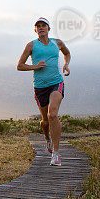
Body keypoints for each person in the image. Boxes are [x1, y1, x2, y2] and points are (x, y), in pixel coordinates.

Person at [16, 17, 71, 166]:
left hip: (56, 83)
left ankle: (56, 153)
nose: (41, 28)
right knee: (45, 122)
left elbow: (67, 53)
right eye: (38, 26)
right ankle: (47, 138)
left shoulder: (57, 43)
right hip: (40, 87)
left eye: (43, 25)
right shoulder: (31, 46)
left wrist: (66, 65)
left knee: (52, 114)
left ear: (48, 28)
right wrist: (35, 67)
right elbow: (20, 66)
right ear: (35, 30)